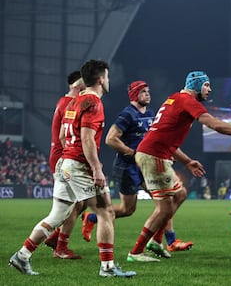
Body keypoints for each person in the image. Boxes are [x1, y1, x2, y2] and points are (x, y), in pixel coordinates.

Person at [9, 59, 136, 277]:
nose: (108, 80)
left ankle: (22, 256)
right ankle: (107, 267)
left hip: (65, 163)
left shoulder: (73, 101)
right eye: (107, 76)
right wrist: (95, 168)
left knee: (57, 216)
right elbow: (87, 139)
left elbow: (61, 136)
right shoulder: (94, 103)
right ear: (100, 79)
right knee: (106, 211)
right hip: (79, 165)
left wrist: (71, 156)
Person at [126, 71, 231, 262]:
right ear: (196, 85)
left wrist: (187, 161)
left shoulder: (175, 99)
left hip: (156, 153)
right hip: (154, 155)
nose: (209, 89)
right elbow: (213, 124)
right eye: (206, 85)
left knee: (179, 194)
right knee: (163, 209)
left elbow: (166, 139)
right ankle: (136, 252)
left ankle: (156, 241)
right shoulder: (187, 101)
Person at [82, 81, 193, 256]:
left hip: (146, 165)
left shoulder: (150, 114)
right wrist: (132, 152)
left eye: (148, 91)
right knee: (128, 210)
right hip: (127, 167)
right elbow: (111, 138)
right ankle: (92, 217)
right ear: (134, 95)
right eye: (143, 91)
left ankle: (170, 241)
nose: (148, 94)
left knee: (166, 201)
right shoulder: (128, 115)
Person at [41, 70, 86, 259]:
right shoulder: (70, 103)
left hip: (62, 156)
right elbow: (65, 137)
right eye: (84, 86)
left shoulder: (64, 101)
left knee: (80, 202)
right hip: (65, 157)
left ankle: (57, 239)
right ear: (78, 86)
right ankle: (60, 245)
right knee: (72, 204)